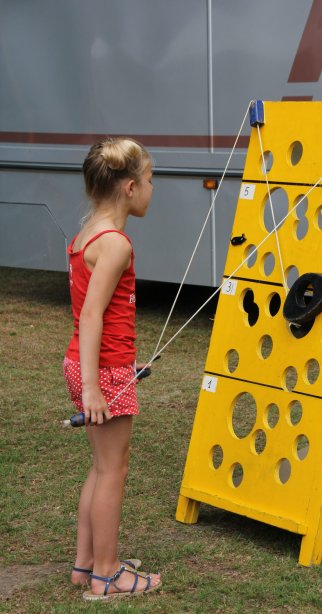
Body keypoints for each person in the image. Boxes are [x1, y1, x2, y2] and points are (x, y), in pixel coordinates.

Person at [63, 137, 161, 601]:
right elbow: (91, 315)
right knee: (113, 471)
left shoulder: (87, 234)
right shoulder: (116, 243)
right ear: (129, 187)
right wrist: (93, 387)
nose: (152, 189)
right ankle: (106, 575)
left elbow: (100, 313)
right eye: (150, 180)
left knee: (102, 467)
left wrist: (121, 363)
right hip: (99, 373)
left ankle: (86, 564)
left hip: (98, 365)